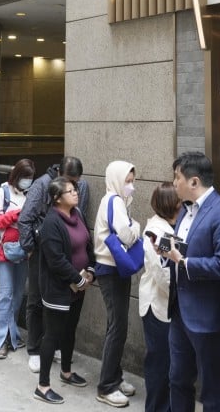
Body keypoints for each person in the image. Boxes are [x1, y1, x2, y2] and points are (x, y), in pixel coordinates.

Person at [158, 152, 220, 412]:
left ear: (194, 181)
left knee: (212, 390)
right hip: (180, 310)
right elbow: (182, 250)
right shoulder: (184, 211)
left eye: (177, 178)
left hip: (211, 317)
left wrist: (183, 262)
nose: (174, 183)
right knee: (178, 380)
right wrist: (167, 252)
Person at [19, 156, 91, 373]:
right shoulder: (41, 185)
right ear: (59, 172)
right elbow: (25, 219)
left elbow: (80, 215)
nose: (74, 188)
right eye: (70, 182)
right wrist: (31, 249)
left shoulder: (82, 186)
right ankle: (34, 349)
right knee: (36, 300)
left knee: (65, 304)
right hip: (42, 250)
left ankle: (58, 347)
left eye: (76, 183)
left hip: (68, 251)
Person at [34, 178, 96, 405]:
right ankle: (42, 385)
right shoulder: (51, 222)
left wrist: (90, 270)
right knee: (52, 335)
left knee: (70, 330)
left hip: (78, 286)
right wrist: (78, 279)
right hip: (58, 289)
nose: (75, 193)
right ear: (57, 198)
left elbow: (88, 244)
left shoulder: (77, 214)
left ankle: (67, 372)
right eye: (69, 191)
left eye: (75, 190)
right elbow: (56, 260)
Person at [92, 160, 141, 408]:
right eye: (128, 181)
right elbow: (127, 235)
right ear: (116, 180)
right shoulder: (114, 201)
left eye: (132, 181)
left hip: (112, 268)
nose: (131, 186)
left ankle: (115, 376)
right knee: (118, 326)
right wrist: (138, 226)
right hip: (111, 269)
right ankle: (107, 386)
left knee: (117, 325)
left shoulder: (112, 200)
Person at [139, 181, 179, 412]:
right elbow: (162, 274)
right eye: (179, 201)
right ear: (170, 205)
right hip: (158, 307)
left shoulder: (170, 227)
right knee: (159, 364)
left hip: (168, 306)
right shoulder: (156, 232)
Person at [0, 159, 33, 358]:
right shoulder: (2, 192)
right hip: (4, 250)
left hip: (23, 251)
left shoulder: (30, 194)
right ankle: (2, 340)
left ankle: (11, 333)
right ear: (16, 176)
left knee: (18, 294)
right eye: (25, 178)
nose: (27, 182)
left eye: (30, 178)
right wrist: (15, 215)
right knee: (5, 294)